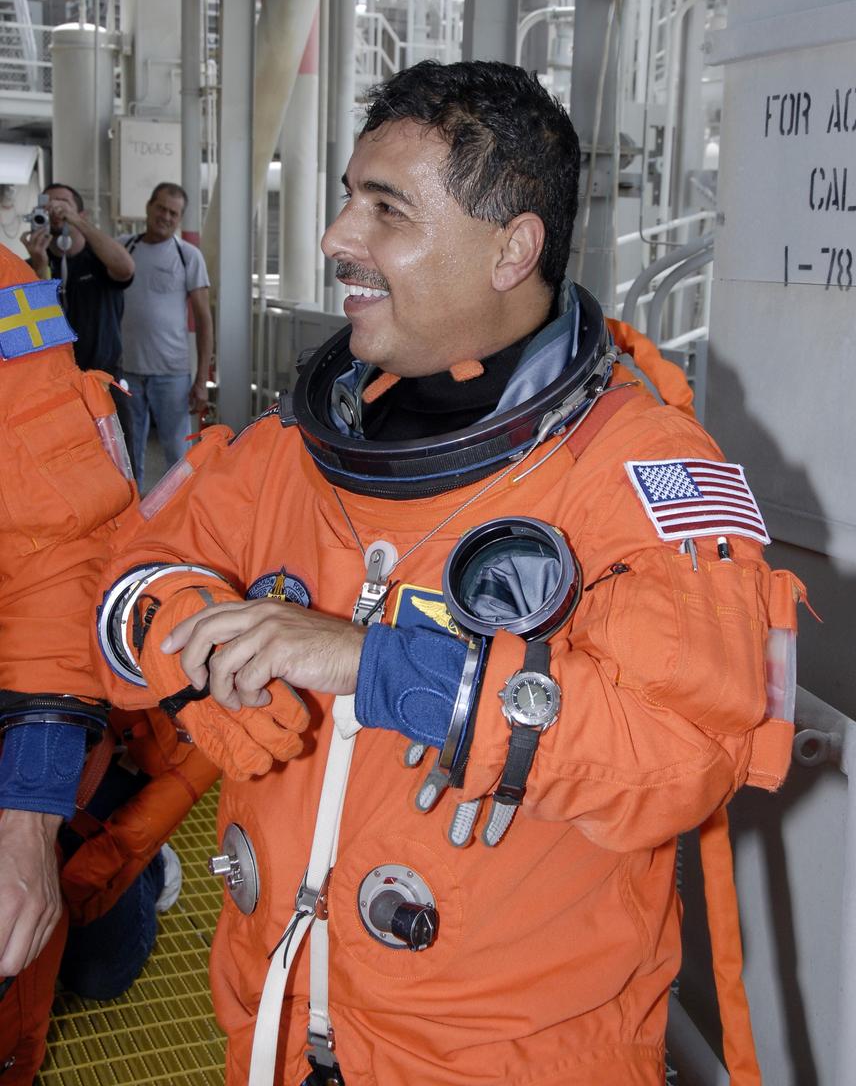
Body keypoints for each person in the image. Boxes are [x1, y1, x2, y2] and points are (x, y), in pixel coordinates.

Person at [97, 61, 801, 1086]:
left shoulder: (649, 474)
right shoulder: (288, 450)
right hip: (276, 1028)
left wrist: (397, 672)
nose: (338, 235)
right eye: (347, 197)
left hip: (509, 1057)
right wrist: (191, 630)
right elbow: (123, 576)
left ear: (512, 246)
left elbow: (686, 750)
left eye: (385, 209)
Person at [0, 245, 217, 1083]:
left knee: (90, 958)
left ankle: (115, 851)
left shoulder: (10, 296)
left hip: (51, 702)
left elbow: (55, 549)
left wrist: (26, 816)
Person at [20, 181, 137, 472]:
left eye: (63, 204)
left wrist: (74, 220)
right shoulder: (32, 263)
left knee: (121, 469)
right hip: (56, 390)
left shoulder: (99, 261)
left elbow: (125, 268)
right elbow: (35, 325)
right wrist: (38, 265)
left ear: (81, 214)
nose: (55, 210)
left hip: (103, 383)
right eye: (48, 204)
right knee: (69, 472)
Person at [119, 182, 213, 489]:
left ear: (180, 218)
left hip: (172, 374)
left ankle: (175, 523)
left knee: (177, 454)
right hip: (127, 371)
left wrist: (200, 381)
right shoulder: (122, 249)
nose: (166, 217)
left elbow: (203, 320)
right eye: (161, 208)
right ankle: (132, 519)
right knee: (129, 455)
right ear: (148, 207)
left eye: (174, 213)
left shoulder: (188, 256)